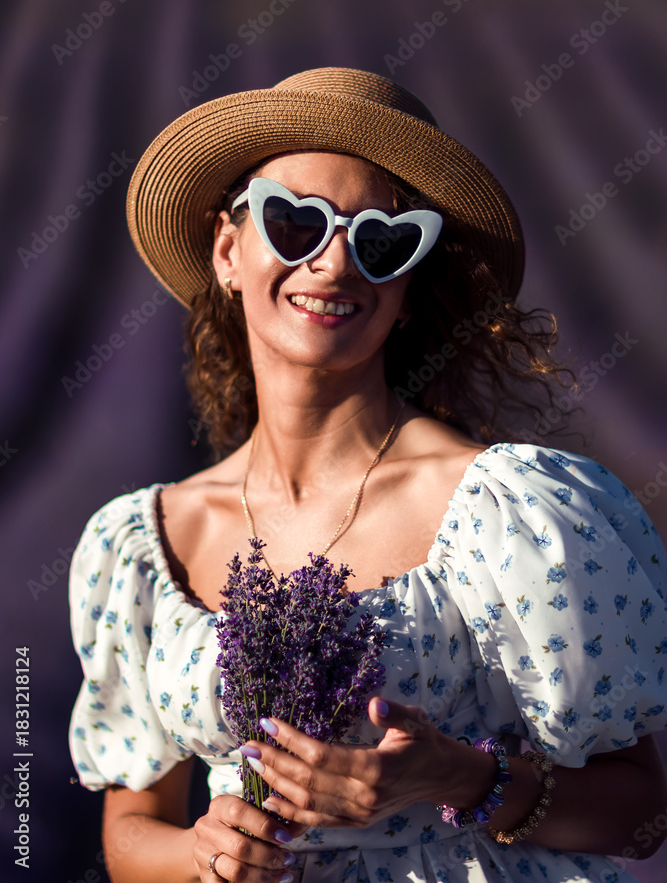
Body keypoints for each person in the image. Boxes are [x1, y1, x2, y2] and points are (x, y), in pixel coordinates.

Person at [69, 67, 667, 883]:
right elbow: (130, 835)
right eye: (294, 221)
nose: (334, 262)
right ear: (227, 249)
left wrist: (458, 777)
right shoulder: (143, 546)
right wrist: (202, 852)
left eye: (383, 242)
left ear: (409, 289)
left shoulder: (512, 511)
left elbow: (642, 816)